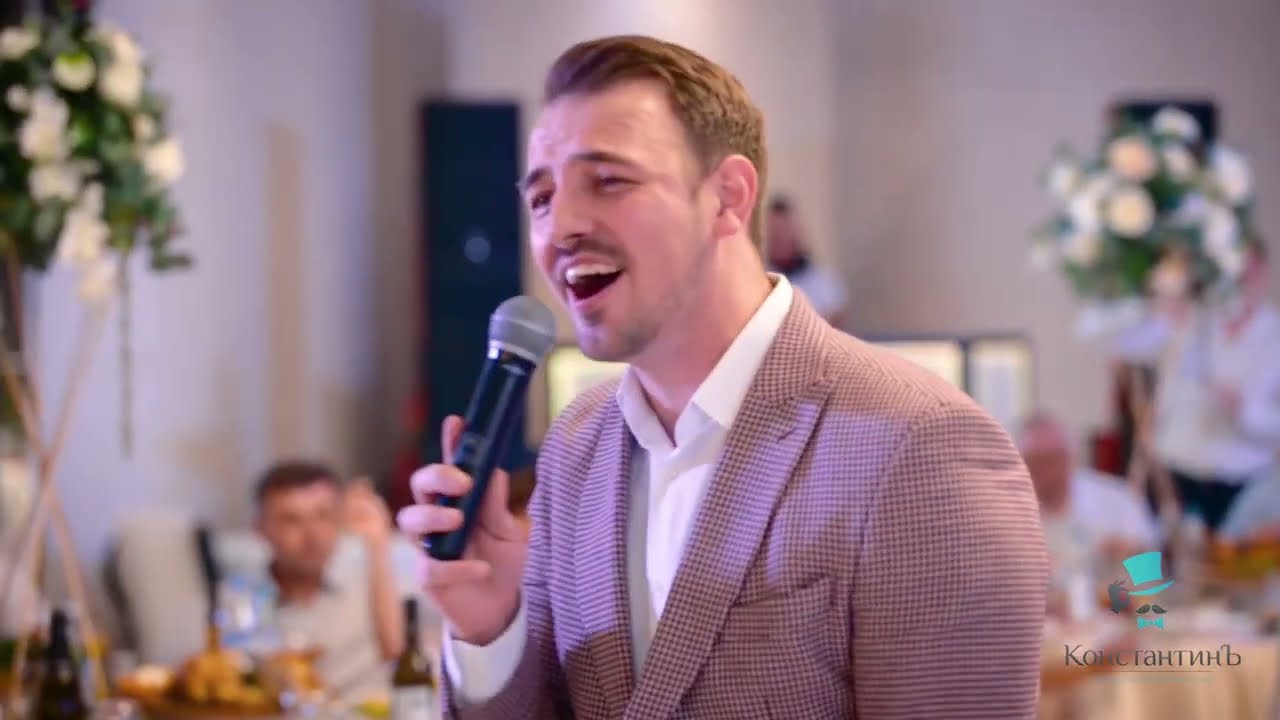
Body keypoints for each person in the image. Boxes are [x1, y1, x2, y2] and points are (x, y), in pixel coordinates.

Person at [398, 35, 1047, 719]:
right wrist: (490, 631)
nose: (561, 228)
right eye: (540, 198)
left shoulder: (921, 445)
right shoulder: (575, 447)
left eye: (609, 181)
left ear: (729, 197)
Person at [246, 461, 407, 700]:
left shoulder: (372, 578)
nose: (313, 535)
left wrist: (378, 545)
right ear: (260, 529)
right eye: (292, 520)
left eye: (323, 516)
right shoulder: (237, 604)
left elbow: (400, 657)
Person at [1147, 242, 1280, 533]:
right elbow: (1165, 382)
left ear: (1263, 274)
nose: (1240, 281)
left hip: (1240, 480)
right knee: (1159, 556)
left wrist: (1244, 408)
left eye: (1247, 273)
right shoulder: (1196, 321)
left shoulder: (1274, 337)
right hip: (1177, 468)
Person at [1017, 411, 1158, 620]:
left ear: (1070, 457)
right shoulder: (1010, 513)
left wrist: (1128, 553)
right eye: (1035, 462)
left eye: (1052, 460)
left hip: (1118, 620)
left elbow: (1152, 568)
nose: (1045, 471)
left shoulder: (1115, 499)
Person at [764, 194, 850, 326]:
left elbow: (833, 327)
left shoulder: (825, 283)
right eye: (775, 233)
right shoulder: (757, 283)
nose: (781, 239)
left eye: (785, 231)